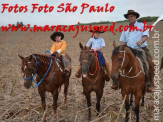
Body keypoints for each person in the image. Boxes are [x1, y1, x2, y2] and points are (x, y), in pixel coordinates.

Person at [111, 10, 153, 92]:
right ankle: (116, 82)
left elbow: (145, 36)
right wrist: (121, 48)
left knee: (148, 63)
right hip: (128, 50)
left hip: (140, 49)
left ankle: (148, 82)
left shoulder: (142, 25)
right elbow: (123, 41)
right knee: (119, 62)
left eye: (132, 16)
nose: (130, 18)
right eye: (128, 17)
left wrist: (141, 41)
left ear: (135, 17)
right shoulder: (125, 28)